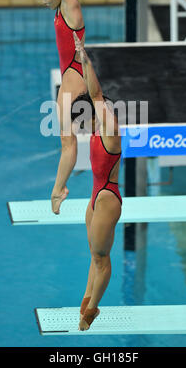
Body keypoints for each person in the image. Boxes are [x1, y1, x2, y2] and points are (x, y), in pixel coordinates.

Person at [27, 0, 87, 214]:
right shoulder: (61, 7)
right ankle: (60, 186)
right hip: (74, 74)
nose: (43, 1)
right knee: (69, 139)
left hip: (75, 77)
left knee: (68, 142)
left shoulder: (69, 2)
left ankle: (59, 189)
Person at [71, 32, 122, 331]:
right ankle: (88, 296)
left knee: (102, 257)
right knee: (94, 253)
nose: (78, 127)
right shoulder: (94, 130)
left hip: (107, 199)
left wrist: (86, 60)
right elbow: (92, 96)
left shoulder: (110, 131)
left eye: (80, 120)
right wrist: (80, 62)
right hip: (95, 197)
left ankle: (93, 309)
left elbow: (98, 95)